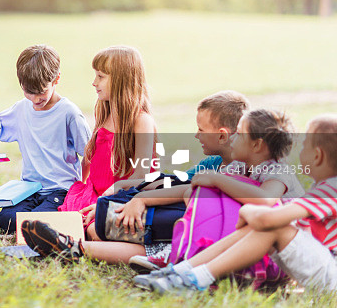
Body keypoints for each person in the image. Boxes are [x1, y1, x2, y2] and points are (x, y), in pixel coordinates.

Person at [24, 105, 303, 267]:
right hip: (221, 235)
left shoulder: (276, 171)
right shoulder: (236, 168)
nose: (233, 140)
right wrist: (142, 200)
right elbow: (188, 190)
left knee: (163, 247)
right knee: (158, 244)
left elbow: (267, 200)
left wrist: (218, 179)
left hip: (262, 250)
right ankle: (72, 247)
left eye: (239, 135)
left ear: (257, 145)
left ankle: (76, 248)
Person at [137, 114, 337, 294]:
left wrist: (247, 210)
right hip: (319, 267)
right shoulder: (240, 168)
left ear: (317, 156)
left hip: (330, 275)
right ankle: (182, 271)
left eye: (304, 146)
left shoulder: (329, 191)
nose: (233, 137)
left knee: (272, 226)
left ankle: (195, 279)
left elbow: (268, 212)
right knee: (262, 225)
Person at [0, 44, 91, 234]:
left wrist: (82, 190)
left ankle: (60, 217)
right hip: (29, 189)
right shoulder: (21, 108)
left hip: (61, 190)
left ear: (56, 79)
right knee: (5, 222)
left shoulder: (69, 113)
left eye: (41, 92)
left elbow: (89, 154)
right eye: (29, 92)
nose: (35, 99)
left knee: (37, 225)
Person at [57, 46, 157, 215]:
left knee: (92, 227)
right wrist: (80, 188)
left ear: (121, 80)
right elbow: (89, 159)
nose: (94, 82)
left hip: (122, 196)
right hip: (94, 193)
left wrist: (110, 197)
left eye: (100, 76)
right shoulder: (105, 113)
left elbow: (141, 174)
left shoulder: (141, 121)